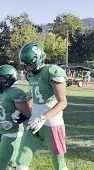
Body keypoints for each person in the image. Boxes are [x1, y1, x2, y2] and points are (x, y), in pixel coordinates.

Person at [16, 42, 68, 170]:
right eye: (25, 64)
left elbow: (62, 102)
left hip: (52, 124)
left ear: (39, 58)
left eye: (30, 64)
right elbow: (34, 96)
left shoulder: (53, 71)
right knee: (21, 160)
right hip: (35, 122)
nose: (27, 67)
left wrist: (43, 118)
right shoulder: (31, 75)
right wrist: (23, 111)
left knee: (59, 164)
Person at [0, 64, 31, 170]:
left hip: (13, 133)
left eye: (1, 78)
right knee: (11, 164)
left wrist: (13, 122)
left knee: (1, 165)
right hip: (2, 131)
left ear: (10, 78)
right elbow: (1, 106)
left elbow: (27, 113)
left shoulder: (15, 92)